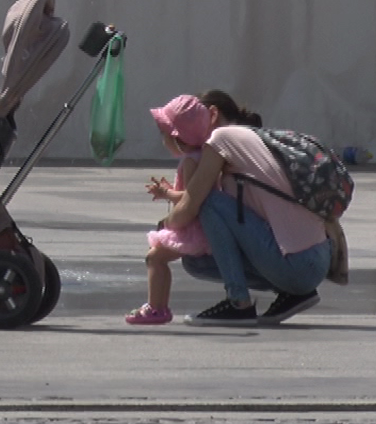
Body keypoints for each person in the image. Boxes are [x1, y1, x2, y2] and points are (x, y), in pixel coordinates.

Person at [163, 89, 331, 326]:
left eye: (195, 120)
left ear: (212, 114)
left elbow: (192, 204)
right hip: (317, 259)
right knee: (196, 261)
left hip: (298, 264)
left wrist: (164, 226)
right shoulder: (255, 137)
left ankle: (238, 303)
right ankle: (294, 292)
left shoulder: (221, 138)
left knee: (209, 201)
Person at [125, 95, 213, 325]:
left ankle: (157, 307)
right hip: (192, 225)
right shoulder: (197, 157)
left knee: (154, 257)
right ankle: (158, 306)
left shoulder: (192, 161)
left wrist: (166, 194)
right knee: (156, 258)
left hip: (191, 228)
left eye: (164, 134)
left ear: (178, 137)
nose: (162, 139)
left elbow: (191, 196)